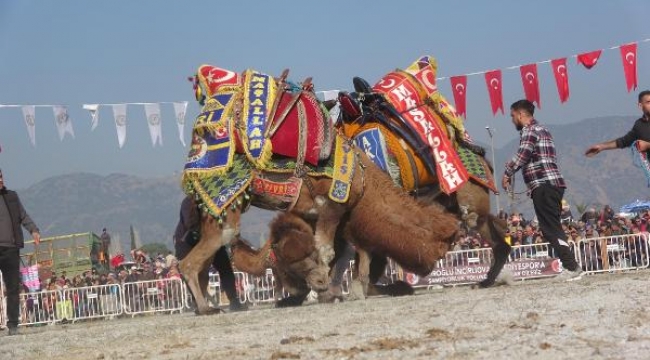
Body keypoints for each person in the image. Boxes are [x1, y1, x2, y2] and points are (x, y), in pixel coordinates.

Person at [501, 100, 582, 281]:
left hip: (544, 185)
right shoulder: (543, 130)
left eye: (513, 116)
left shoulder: (529, 131)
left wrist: (507, 173)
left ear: (521, 115)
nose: (512, 120)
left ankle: (572, 267)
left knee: (550, 229)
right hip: (553, 184)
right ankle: (571, 266)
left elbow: (523, 154)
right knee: (551, 228)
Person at [173, 196, 247, 311]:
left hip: (211, 238)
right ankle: (198, 302)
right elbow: (190, 223)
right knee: (191, 272)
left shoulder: (214, 201)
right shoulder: (189, 202)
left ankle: (233, 300)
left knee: (225, 268)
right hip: (188, 241)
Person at [0, 168, 41, 335]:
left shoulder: (12, 196)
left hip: (11, 248)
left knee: (13, 287)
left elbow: (23, 215)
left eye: (1, 176)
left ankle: (13, 324)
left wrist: (34, 230)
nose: (0, 179)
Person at [585, 90, 650, 157]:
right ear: (640, 105)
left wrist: (647, 145)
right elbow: (624, 141)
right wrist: (601, 147)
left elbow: (646, 145)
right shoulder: (639, 125)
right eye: (648, 102)